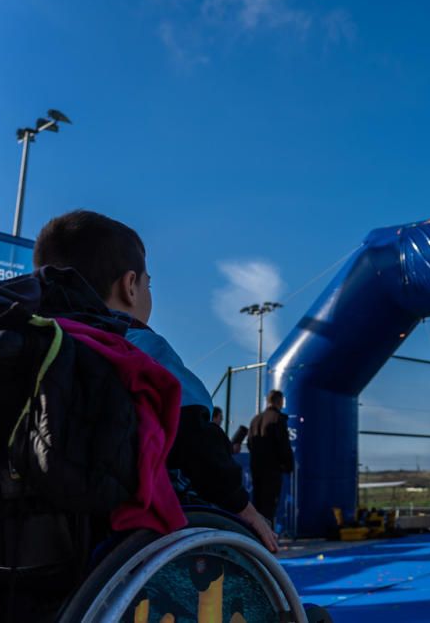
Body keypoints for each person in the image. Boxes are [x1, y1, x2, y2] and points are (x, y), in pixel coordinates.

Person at [32, 210, 279, 553]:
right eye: (149, 283)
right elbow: (195, 435)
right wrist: (243, 507)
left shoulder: (35, 345)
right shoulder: (137, 345)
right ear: (129, 286)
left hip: (34, 549)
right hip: (127, 545)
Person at [247, 390, 295, 523]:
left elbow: (250, 444)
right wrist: (288, 465)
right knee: (269, 507)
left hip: (257, 469)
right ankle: (266, 538)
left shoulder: (255, 420)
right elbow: (283, 446)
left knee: (258, 505)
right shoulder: (277, 419)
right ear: (279, 401)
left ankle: (256, 537)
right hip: (272, 470)